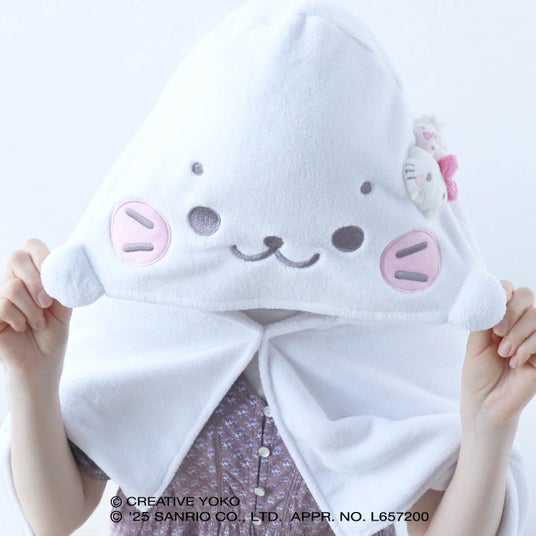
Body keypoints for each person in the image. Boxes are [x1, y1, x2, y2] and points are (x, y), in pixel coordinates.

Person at [1, 238, 535, 536]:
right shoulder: (139, 292)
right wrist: (32, 379)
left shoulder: (396, 318)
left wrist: (489, 425)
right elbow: (55, 517)